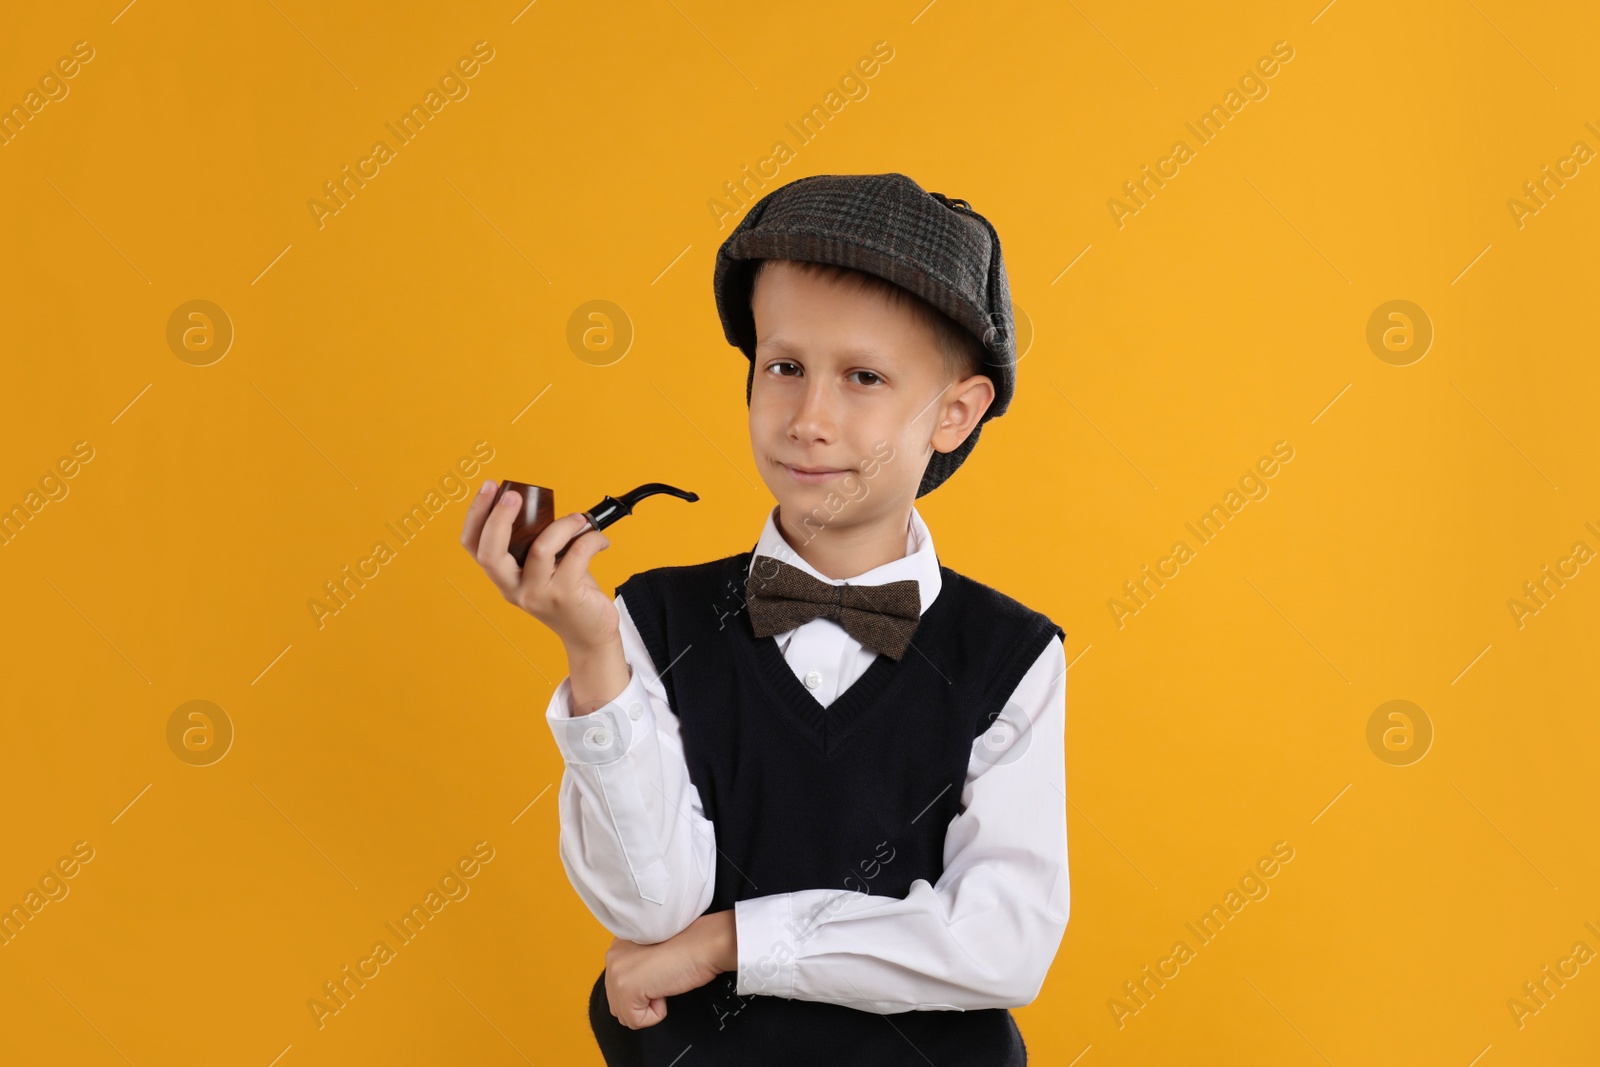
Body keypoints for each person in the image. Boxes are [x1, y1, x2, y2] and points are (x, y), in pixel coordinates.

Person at [461, 172, 1069, 1066]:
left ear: (955, 413)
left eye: (863, 377)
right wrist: (591, 650)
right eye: (784, 367)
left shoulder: (1012, 654)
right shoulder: (652, 619)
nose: (808, 420)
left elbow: (1001, 942)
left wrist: (728, 944)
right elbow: (650, 909)